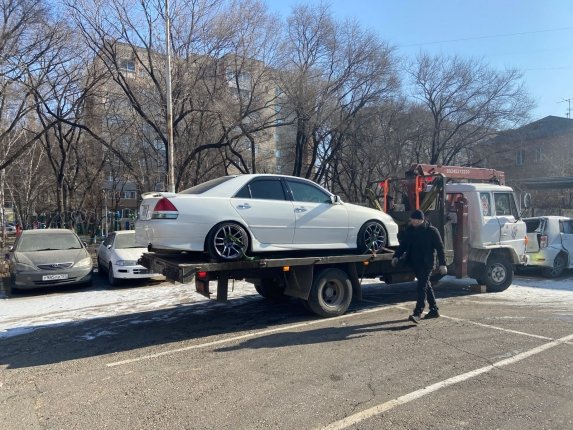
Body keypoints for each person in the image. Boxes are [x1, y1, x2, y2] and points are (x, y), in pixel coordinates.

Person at [391, 209, 447, 323]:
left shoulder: (432, 231)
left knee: (421, 287)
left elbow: (440, 249)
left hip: (427, 264)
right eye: (412, 220)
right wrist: (396, 256)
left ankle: (417, 313)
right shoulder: (410, 231)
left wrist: (442, 264)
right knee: (426, 285)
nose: (414, 222)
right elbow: (403, 245)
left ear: (421, 220)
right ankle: (434, 309)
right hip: (414, 263)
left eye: (416, 220)